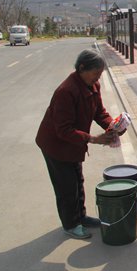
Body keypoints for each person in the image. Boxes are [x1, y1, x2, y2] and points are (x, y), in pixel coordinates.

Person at [36, 49, 121, 239]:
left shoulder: (93, 85)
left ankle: (81, 216)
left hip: (73, 143)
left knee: (78, 181)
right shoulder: (66, 92)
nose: (97, 78)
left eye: (99, 75)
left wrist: (114, 125)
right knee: (66, 187)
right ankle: (71, 224)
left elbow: (100, 112)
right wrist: (93, 139)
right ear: (82, 68)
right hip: (56, 145)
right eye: (95, 73)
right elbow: (63, 130)